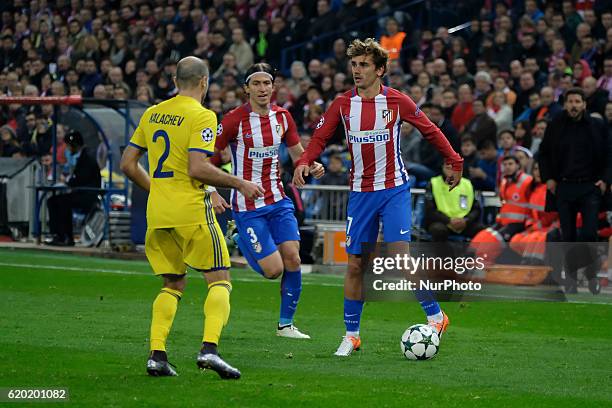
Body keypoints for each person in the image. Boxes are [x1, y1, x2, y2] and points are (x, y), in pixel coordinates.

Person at [293, 38, 463, 357]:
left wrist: (454, 160)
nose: (357, 71)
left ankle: (437, 316)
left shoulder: (397, 102)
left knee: (400, 255)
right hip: (360, 193)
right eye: (354, 65)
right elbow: (319, 138)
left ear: (380, 69)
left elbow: (431, 130)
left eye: (364, 65)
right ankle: (352, 335)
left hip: (394, 189)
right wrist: (304, 161)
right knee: (356, 264)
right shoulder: (342, 104)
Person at [120, 56, 263, 379]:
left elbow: (128, 164)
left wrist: (157, 189)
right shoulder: (202, 116)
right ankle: (209, 350)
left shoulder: (152, 113)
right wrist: (240, 182)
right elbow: (197, 168)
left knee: (172, 283)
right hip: (191, 210)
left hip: (158, 213)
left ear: (174, 81)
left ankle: (157, 356)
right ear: (204, 82)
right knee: (220, 280)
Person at [213, 63, 324, 339]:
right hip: (248, 206)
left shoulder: (283, 117)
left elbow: (299, 153)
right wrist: (210, 191)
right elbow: (207, 160)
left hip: (278, 200)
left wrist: (309, 165)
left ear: (273, 87)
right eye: (257, 84)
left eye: (267, 83)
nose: (263, 89)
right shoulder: (233, 120)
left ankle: (285, 325)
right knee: (273, 271)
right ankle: (239, 235)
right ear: (246, 89)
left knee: (294, 259)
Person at [538, 88, 610, 292]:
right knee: (567, 235)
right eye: (570, 101)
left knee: (589, 233)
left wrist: (605, 180)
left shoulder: (597, 125)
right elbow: (543, 153)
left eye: (578, 101)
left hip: (590, 186)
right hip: (564, 186)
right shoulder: (556, 125)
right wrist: (549, 178)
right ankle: (570, 279)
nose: (574, 105)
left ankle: (592, 275)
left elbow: (608, 154)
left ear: (584, 104)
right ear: (565, 104)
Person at [470, 155, 533, 264]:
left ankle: (483, 267)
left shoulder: (527, 181)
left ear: (518, 165)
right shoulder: (504, 182)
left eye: (510, 164)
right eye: (505, 164)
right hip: (503, 223)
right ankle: (467, 263)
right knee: (481, 237)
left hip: (520, 224)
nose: (507, 167)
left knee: (493, 241)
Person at [45, 130, 101, 246]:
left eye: (69, 146)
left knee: (62, 202)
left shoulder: (87, 157)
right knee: (52, 201)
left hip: (88, 195)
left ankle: (66, 237)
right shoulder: (81, 157)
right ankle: (57, 234)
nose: (68, 149)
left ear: (75, 145)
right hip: (80, 192)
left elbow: (81, 179)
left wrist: (68, 182)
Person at [425, 164, 483, 242]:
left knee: (482, 230)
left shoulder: (468, 184)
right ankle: (444, 254)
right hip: (443, 222)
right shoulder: (433, 183)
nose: (450, 170)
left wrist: (466, 220)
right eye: (447, 167)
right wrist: (449, 220)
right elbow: (430, 210)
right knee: (438, 230)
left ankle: (474, 253)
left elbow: (476, 209)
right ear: (443, 167)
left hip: (464, 222)